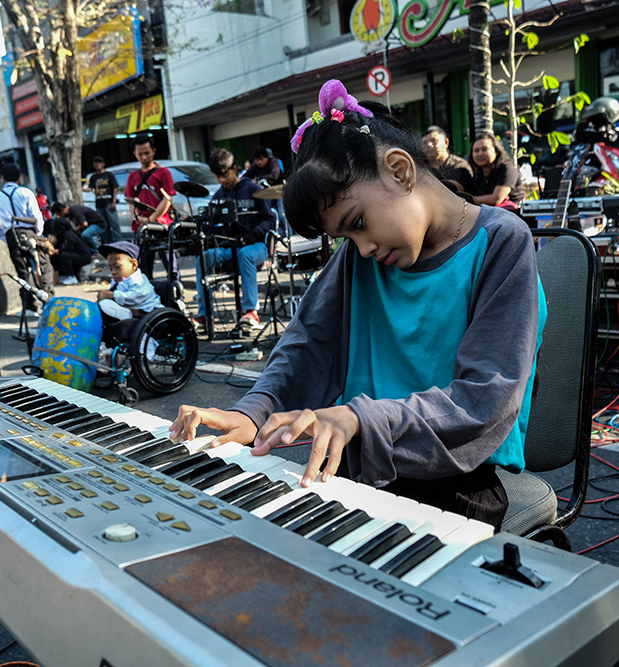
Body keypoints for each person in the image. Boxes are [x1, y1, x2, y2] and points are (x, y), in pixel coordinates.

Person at [169, 79, 546, 530]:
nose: (362, 248)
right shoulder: (361, 255)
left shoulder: (502, 242)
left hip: (453, 482)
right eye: (346, 236)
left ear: (400, 170)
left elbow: (485, 397)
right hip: (352, 466)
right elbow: (309, 344)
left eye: (359, 223)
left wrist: (358, 418)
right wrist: (252, 412)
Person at [194, 148, 274, 331]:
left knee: (245, 254)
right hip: (228, 248)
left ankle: (251, 311)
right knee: (203, 258)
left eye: (225, 175)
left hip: (256, 246)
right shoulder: (218, 196)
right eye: (218, 176)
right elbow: (210, 224)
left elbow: (269, 219)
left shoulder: (254, 189)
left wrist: (253, 234)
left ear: (235, 169)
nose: (222, 180)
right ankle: (205, 314)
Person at [0, 162, 51, 316]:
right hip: (29, 232)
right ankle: (48, 302)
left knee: (22, 271)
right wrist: (38, 233)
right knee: (44, 266)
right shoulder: (25, 192)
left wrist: (4, 235)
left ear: (2, 178)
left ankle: (30, 307)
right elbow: (37, 217)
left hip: (11, 235)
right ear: (19, 177)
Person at [125, 135, 176, 278]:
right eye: (140, 154)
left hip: (162, 226)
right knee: (144, 268)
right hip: (141, 227)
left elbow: (167, 198)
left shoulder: (164, 172)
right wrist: (137, 217)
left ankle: (177, 296)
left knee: (170, 264)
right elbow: (130, 200)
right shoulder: (132, 176)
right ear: (134, 154)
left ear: (154, 151)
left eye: (147, 153)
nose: (144, 157)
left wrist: (152, 218)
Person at [95, 241, 161, 343]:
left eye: (117, 267)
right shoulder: (118, 281)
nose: (113, 272)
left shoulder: (138, 279)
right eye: (110, 268)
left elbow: (139, 295)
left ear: (133, 265)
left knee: (107, 304)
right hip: (127, 307)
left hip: (145, 311)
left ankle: (127, 314)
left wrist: (113, 295)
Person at [469, 132, 525, 212]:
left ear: (497, 151)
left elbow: (497, 199)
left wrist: (467, 200)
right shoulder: (476, 173)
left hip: (512, 216)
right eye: (476, 151)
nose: (480, 154)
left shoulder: (507, 169)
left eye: (485, 149)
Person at [421, 126, 473, 193]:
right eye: (424, 143)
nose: (429, 145)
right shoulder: (422, 167)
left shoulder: (460, 165)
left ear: (446, 142)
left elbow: (453, 189)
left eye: (434, 141)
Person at [46, 217, 92, 286]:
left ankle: (71, 277)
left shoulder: (69, 234)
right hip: (75, 255)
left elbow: (70, 248)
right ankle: (62, 275)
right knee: (55, 257)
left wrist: (59, 251)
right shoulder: (62, 235)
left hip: (84, 256)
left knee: (64, 255)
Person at [86, 156, 122, 243]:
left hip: (109, 203)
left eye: (99, 162)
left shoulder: (109, 175)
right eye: (95, 163)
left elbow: (115, 188)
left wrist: (114, 202)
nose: (97, 164)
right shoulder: (93, 177)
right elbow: (90, 188)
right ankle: (109, 244)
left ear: (103, 164)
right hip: (99, 204)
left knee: (114, 224)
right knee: (104, 225)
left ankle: (120, 243)